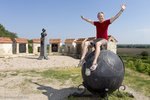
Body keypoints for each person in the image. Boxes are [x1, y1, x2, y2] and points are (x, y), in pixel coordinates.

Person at [78, 4, 126, 71]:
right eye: (99, 16)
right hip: (97, 39)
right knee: (86, 43)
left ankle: (94, 63)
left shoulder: (107, 22)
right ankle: (82, 60)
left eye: (102, 16)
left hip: (104, 40)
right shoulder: (97, 23)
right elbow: (89, 21)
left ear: (103, 17)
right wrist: (83, 18)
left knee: (98, 44)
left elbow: (115, 17)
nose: (101, 17)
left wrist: (122, 10)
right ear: (97, 17)